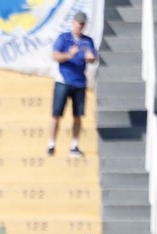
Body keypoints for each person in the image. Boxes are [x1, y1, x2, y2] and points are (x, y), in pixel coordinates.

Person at [47, 11, 96, 158]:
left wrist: (90, 58)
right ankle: (51, 144)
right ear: (73, 23)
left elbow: (92, 57)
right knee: (56, 114)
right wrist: (69, 54)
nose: (79, 26)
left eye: (82, 24)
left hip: (80, 82)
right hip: (63, 80)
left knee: (78, 115)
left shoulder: (87, 41)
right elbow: (54, 56)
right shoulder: (65, 38)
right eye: (77, 23)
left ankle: (74, 145)